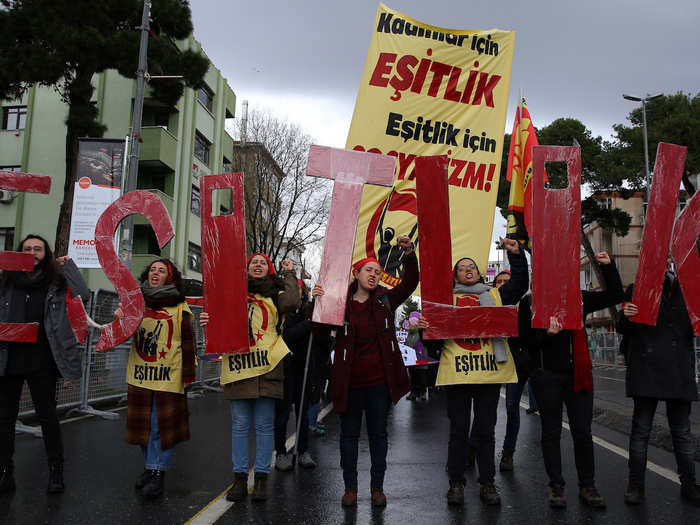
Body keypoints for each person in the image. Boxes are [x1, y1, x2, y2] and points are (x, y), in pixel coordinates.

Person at [312, 235, 417, 508]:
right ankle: (350, 489)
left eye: (378, 272)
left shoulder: (385, 300)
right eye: (369, 270)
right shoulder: (339, 302)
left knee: (378, 436)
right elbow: (320, 333)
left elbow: (410, 282)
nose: (374, 275)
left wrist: (408, 253)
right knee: (348, 437)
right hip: (348, 383)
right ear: (356, 273)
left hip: (379, 384)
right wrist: (319, 304)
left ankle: (377, 488)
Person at [421, 238, 527, 507]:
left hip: (489, 374)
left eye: (473, 267)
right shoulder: (443, 300)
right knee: (458, 430)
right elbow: (433, 342)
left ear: (480, 273)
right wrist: (425, 328)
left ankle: (488, 483)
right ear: (455, 275)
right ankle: (456, 483)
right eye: (462, 267)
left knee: (486, 430)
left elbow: (520, 285)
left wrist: (516, 255)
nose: (468, 269)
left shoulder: (495, 295)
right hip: (457, 374)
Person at [201, 254, 299, 502]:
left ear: (269, 269)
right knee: (240, 425)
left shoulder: (276, 295)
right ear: (245, 269)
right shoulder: (232, 294)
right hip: (238, 368)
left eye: (262, 262)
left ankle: (262, 479)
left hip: (267, 368)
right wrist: (208, 321)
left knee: (265, 426)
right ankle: (240, 479)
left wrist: (288, 275)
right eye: (253, 262)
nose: (257, 265)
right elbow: (220, 322)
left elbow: (292, 301)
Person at [529, 251, 623, 509]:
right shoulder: (531, 302)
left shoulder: (579, 299)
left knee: (583, 433)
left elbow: (615, 295)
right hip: (547, 377)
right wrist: (548, 334)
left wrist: (608, 267)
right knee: (551, 432)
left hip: (578, 376)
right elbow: (525, 343)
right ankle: (557, 487)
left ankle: (588, 486)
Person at [0, 234, 89, 494]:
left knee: (47, 417)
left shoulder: (56, 282)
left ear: (46, 254)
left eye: (38, 248)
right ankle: (5, 472)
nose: (33, 252)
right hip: (9, 359)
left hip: (44, 360)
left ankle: (56, 471)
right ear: (20, 253)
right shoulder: (6, 281)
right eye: (27, 248)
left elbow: (82, 294)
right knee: (4, 418)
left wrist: (69, 266)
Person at [618, 258, 700, 506]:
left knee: (682, 434)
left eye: (668, 259)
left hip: (677, 369)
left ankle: (689, 484)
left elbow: (691, 328)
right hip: (648, 368)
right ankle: (636, 485)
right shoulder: (636, 289)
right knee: (641, 432)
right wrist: (626, 315)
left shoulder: (689, 290)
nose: (665, 264)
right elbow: (623, 327)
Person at [116, 258, 195, 499]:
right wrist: (120, 316)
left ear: (169, 278)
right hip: (141, 374)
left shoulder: (180, 307)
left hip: (168, 375)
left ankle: (157, 474)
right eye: (152, 269)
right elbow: (120, 334)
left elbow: (189, 341)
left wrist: (188, 375)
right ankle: (151, 468)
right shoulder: (134, 304)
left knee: (160, 427)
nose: (156, 273)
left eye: (161, 271)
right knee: (143, 428)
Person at [274, 280, 330, 471]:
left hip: (305, 368)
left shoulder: (310, 309)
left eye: (297, 289)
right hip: (285, 368)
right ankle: (281, 453)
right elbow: (287, 336)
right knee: (282, 414)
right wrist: (308, 324)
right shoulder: (282, 312)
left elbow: (323, 338)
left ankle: (303, 450)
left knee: (303, 413)